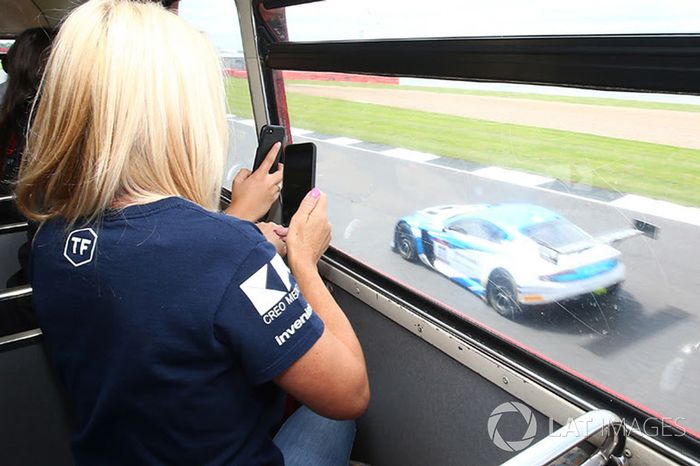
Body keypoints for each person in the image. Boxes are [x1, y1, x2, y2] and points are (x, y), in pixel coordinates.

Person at [16, 1, 369, 465]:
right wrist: (303, 260)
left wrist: (236, 223)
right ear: (183, 119)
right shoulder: (228, 253)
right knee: (335, 417)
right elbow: (349, 392)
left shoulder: (49, 242)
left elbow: (161, 278)